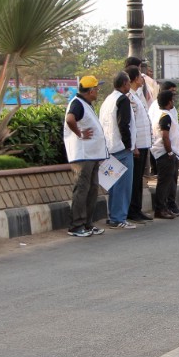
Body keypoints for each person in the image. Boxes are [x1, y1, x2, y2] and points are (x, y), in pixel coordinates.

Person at [62, 76, 107, 237]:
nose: (98, 91)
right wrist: (79, 133)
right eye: (96, 88)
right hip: (82, 154)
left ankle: (88, 223)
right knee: (82, 189)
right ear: (90, 91)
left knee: (92, 188)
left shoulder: (86, 104)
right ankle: (76, 225)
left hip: (92, 154)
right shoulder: (77, 103)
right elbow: (70, 119)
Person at [99, 71, 137, 229]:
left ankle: (114, 216)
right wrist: (129, 145)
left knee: (114, 185)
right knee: (123, 185)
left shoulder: (108, 99)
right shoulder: (123, 100)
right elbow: (124, 124)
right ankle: (119, 218)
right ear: (124, 84)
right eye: (128, 82)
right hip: (121, 148)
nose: (129, 85)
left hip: (109, 147)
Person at [148, 81, 179, 217]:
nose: (174, 99)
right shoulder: (163, 115)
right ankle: (160, 208)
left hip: (172, 151)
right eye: (172, 96)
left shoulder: (168, 113)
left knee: (170, 181)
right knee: (164, 182)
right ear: (168, 101)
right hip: (165, 152)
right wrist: (170, 151)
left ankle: (168, 206)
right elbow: (165, 136)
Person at [125, 65, 153, 223]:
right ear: (135, 79)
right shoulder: (130, 97)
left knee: (139, 178)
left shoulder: (137, 95)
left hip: (144, 143)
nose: (143, 78)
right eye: (141, 76)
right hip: (137, 145)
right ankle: (132, 210)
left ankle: (138, 208)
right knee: (134, 180)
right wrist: (133, 144)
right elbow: (131, 123)